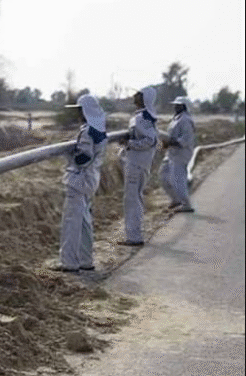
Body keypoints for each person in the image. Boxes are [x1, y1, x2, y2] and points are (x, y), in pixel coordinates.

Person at [56, 94, 108, 272]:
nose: (78, 114)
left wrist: (69, 154)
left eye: (79, 110)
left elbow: (83, 158)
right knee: (85, 221)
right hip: (90, 179)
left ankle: (69, 262)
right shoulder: (99, 129)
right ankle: (86, 260)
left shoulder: (87, 132)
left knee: (72, 222)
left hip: (79, 180)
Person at [117, 86, 158, 246]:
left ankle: (134, 237)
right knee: (135, 198)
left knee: (132, 199)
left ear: (144, 98)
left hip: (137, 163)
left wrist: (129, 143)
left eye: (138, 94)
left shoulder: (142, 118)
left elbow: (150, 140)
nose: (134, 95)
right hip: (139, 162)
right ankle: (135, 234)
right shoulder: (143, 116)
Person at [159, 96, 196, 213]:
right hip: (172, 153)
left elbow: (185, 140)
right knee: (163, 176)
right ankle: (176, 200)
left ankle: (186, 205)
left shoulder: (185, 120)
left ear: (184, 107)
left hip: (181, 154)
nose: (175, 107)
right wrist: (167, 143)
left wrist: (169, 143)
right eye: (175, 105)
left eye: (178, 105)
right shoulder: (176, 118)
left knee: (178, 180)